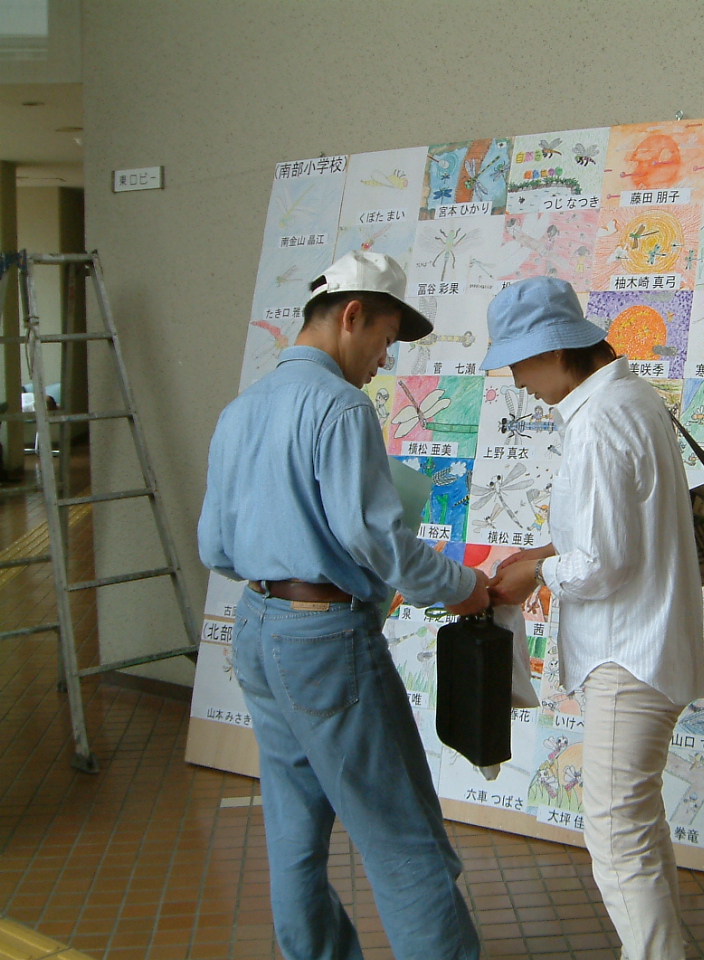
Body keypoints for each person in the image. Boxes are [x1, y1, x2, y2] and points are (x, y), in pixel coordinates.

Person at [198, 250, 489, 960]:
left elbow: (216, 546)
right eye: (385, 340)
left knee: (292, 826)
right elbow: (372, 537)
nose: (384, 360)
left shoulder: (240, 410)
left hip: (257, 630)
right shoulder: (340, 405)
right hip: (325, 642)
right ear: (352, 316)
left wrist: (285, 561)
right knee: (402, 834)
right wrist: (464, 587)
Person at [486, 277, 704, 960]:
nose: (517, 381)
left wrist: (534, 572)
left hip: (627, 654)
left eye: (518, 362)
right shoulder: (632, 399)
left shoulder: (601, 420)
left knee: (616, 836)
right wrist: (544, 554)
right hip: (651, 644)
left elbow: (602, 564)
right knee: (636, 825)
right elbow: (616, 538)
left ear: (555, 349)